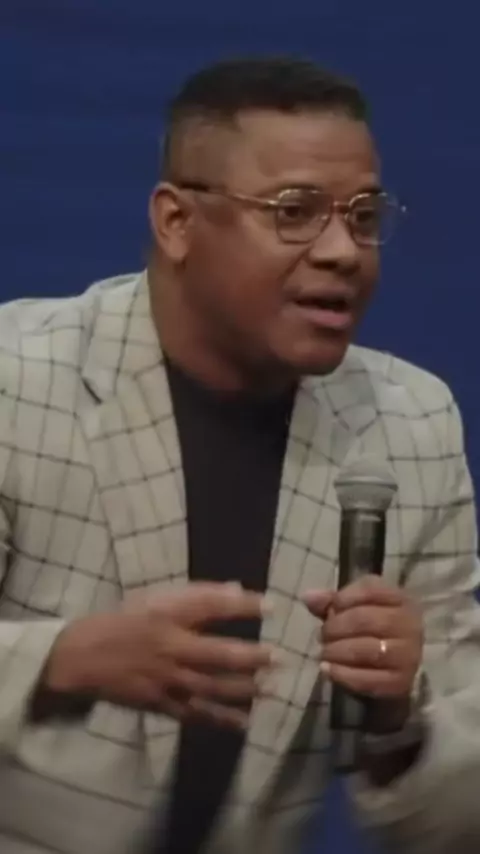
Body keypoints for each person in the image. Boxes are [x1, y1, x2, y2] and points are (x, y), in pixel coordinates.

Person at [0, 55, 479, 854]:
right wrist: (65, 657)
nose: (343, 251)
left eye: (364, 216)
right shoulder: (16, 380)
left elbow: (458, 821)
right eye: (295, 211)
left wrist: (401, 717)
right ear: (177, 222)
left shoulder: (409, 424)